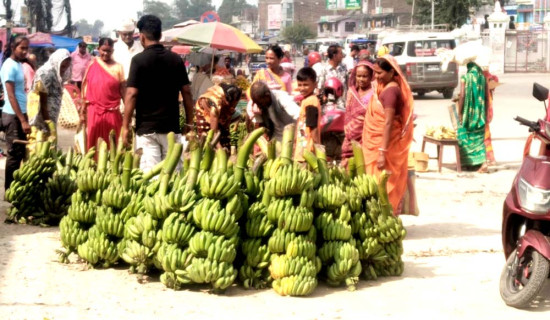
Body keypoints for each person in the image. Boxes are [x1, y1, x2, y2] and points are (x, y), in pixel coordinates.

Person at [122, 15, 194, 172]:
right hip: (171, 127)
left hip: (147, 130)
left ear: (141, 36)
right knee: (173, 175)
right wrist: (189, 123)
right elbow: (187, 92)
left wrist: (125, 126)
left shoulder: (138, 60)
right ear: (160, 35)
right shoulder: (176, 60)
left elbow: (131, 94)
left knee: (150, 176)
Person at [362, 55, 414, 214]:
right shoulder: (385, 87)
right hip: (380, 144)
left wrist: (382, 152)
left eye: (380, 73)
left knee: (383, 184)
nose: (376, 77)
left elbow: (388, 123)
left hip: (385, 147)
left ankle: (386, 218)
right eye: (375, 73)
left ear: (392, 72)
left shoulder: (391, 91)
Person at [80, 38, 125, 151]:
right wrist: (82, 110)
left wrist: (128, 111)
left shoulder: (118, 67)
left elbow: (123, 90)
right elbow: (85, 88)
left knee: (113, 142)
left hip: (112, 111)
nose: (105, 53)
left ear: (112, 51)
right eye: (103, 50)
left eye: (109, 51)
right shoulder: (92, 65)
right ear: (98, 49)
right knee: (93, 142)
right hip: (94, 111)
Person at [1, 36, 30, 190]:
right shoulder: (9, 66)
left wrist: (24, 116)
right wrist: (22, 120)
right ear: (13, 47)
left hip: (19, 114)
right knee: (13, 155)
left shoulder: (18, 64)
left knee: (19, 153)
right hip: (12, 116)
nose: (25, 51)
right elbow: (11, 95)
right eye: (22, 48)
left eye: (27, 48)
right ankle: (10, 191)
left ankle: (16, 188)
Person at [457, 62, 488, 172]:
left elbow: (462, 95)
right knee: (479, 138)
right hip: (480, 114)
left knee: (463, 135)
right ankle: (482, 163)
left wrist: (460, 113)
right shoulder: (483, 79)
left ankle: (466, 162)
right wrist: (486, 113)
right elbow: (486, 97)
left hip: (468, 114)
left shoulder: (465, 78)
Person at [30, 49, 72, 131]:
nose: (64, 70)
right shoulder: (46, 73)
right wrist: (48, 122)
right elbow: (42, 101)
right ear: (57, 62)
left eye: (66, 67)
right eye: (62, 66)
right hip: (42, 118)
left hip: (51, 116)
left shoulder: (56, 73)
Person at [342, 61, 374, 162]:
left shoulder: (374, 92)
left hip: (367, 134)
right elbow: (348, 113)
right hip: (350, 135)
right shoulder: (352, 92)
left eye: (365, 76)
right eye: (358, 76)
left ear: (371, 76)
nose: (361, 79)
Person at [194, 83, 242, 149]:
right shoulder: (215, 104)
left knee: (225, 139)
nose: (233, 107)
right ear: (227, 102)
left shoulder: (229, 102)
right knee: (208, 139)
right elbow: (214, 132)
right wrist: (220, 150)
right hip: (205, 113)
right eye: (232, 105)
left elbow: (226, 126)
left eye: (235, 105)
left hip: (220, 111)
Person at [294, 67, 321, 161]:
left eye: (305, 85)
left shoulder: (311, 102)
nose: (302, 88)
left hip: (308, 152)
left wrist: (318, 149)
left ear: (315, 84)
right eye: (299, 85)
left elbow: (313, 128)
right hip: (302, 150)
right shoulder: (306, 100)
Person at [316, 44, 347, 109]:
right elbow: (319, 88)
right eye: (340, 53)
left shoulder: (344, 67)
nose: (342, 56)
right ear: (334, 56)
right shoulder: (323, 69)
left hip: (342, 105)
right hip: (329, 106)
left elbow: (347, 84)